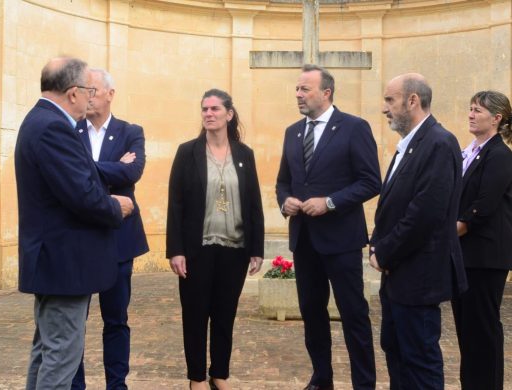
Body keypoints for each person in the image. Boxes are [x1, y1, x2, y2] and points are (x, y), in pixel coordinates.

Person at [14, 57, 134, 390]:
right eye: (88, 90)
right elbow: (82, 194)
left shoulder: (40, 121)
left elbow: (80, 179)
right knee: (62, 356)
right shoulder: (53, 127)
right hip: (63, 264)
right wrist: (116, 207)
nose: (90, 97)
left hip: (55, 264)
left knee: (46, 352)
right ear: (72, 93)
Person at [276, 64, 380, 390]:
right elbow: (283, 182)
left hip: (342, 241)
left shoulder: (354, 127)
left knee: (353, 314)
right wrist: (286, 201)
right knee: (311, 313)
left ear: (326, 92)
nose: (298, 94)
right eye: (297, 89)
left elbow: (370, 181)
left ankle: (364, 383)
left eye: (305, 89)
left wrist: (329, 202)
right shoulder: (292, 131)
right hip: (304, 241)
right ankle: (322, 378)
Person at [369, 73, 467, 389]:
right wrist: (377, 244)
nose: (385, 108)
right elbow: (394, 206)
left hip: (418, 276)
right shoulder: (409, 145)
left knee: (419, 362)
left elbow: (424, 214)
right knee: (397, 353)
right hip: (398, 277)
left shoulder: (439, 142)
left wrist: (383, 252)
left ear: (413, 100)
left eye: (390, 100)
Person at [166, 89, 264, 390]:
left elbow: (253, 203)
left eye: (215, 109)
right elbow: (176, 204)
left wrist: (256, 249)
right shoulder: (187, 152)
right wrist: (176, 250)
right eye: (204, 109)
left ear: (229, 114)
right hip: (198, 249)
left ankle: (219, 373)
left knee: (225, 316)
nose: (208, 114)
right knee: (195, 316)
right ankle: (196, 377)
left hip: (233, 249)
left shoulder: (244, 154)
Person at [71, 69, 149, 390]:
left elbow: (133, 172)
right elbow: (66, 176)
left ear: (109, 94)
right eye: (82, 90)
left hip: (118, 241)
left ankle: (117, 385)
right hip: (76, 242)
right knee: (74, 323)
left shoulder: (131, 131)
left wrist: (85, 168)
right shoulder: (70, 130)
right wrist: (109, 170)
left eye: (91, 90)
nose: (87, 96)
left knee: (116, 321)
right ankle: (75, 386)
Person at [451, 90, 512, 390]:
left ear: (497, 118)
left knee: (483, 330)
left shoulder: (500, 155)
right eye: (470, 108)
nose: (471, 114)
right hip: (465, 255)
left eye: (478, 110)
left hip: (485, 257)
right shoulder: (471, 150)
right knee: (466, 329)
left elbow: (484, 206)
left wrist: (449, 233)